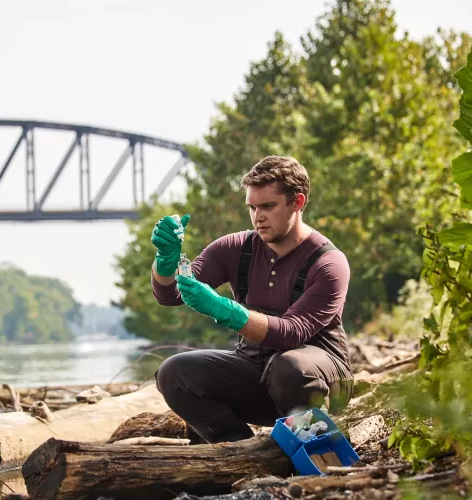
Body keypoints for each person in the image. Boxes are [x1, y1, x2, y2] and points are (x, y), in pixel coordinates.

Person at [150, 155, 354, 444]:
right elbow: (171, 295)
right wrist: (165, 261)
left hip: (319, 382)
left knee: (288, 367)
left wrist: (226, 310)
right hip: (256, 377)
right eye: (252, 207)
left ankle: (316, 450)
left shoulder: (329, 263)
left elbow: (291, 333)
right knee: (174, 372)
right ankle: (238, 451)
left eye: (268, 206)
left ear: (298, 202)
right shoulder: (235, 247)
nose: (258, 216)